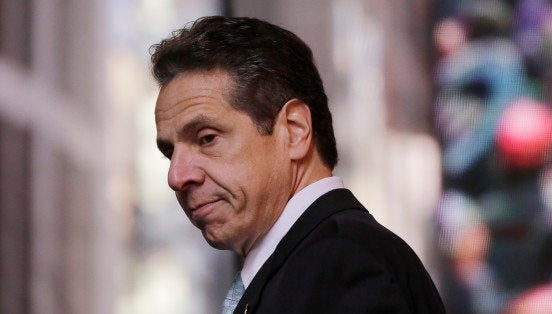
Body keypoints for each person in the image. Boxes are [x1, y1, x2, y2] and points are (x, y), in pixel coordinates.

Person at [150, 16, 445, 314]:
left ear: (294, 130)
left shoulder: (343, 264)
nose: (176, 176)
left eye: (207, 138)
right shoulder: (306, 264)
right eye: (170, 152)